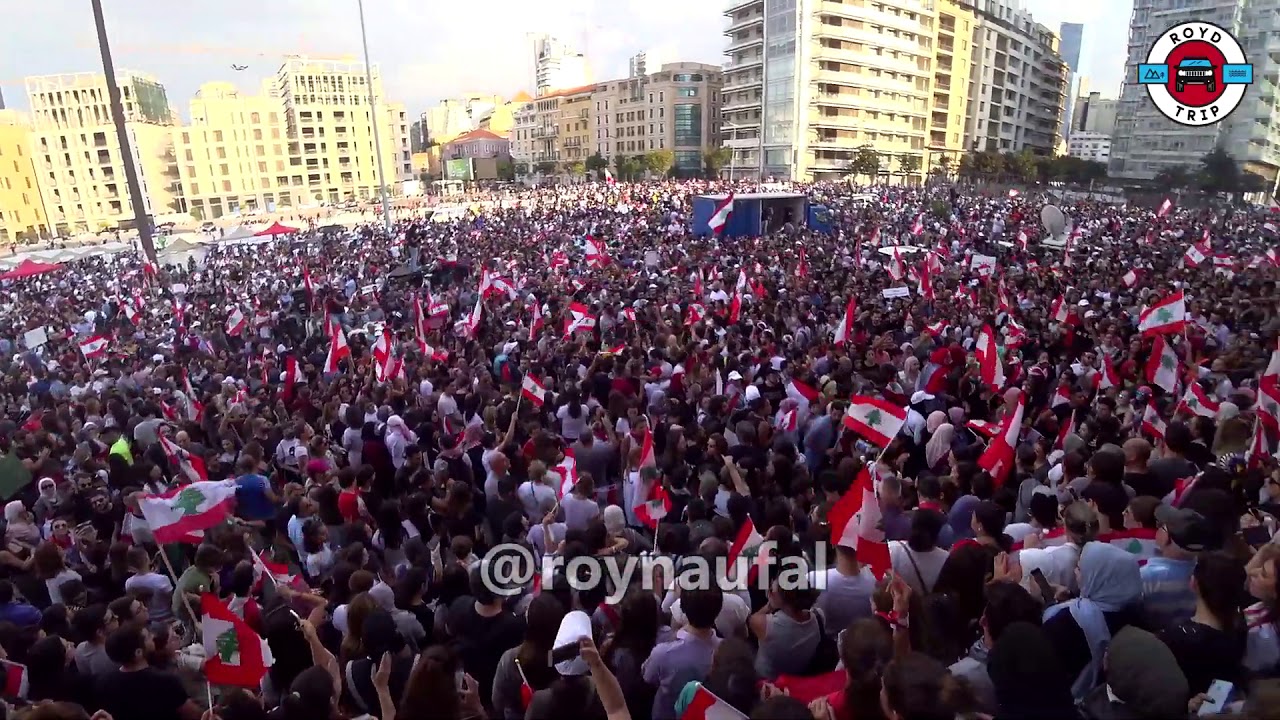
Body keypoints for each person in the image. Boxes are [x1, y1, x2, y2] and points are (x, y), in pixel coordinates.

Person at [93, 623, 203, 720]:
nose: (152, 636)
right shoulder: (165, 682)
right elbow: (193, 714)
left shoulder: (104, 683)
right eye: (147, 637)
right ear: (138, 652)